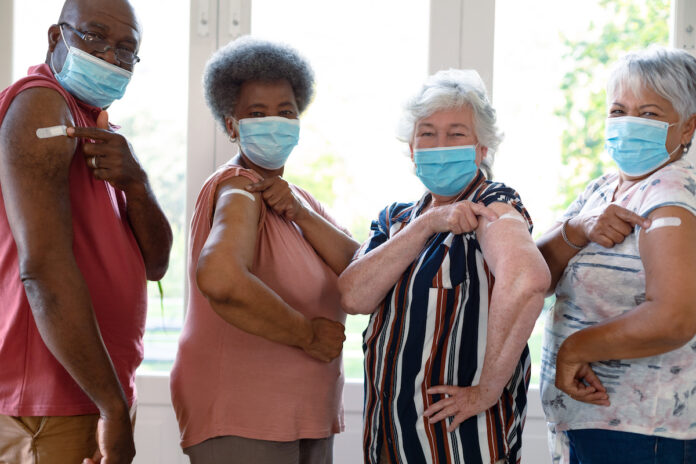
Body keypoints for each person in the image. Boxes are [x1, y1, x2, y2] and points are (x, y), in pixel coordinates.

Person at [337, 69, 550, 464]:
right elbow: (353, 296)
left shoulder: (493, 204)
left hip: (460, 443)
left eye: (456, 134)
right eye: (427, 133)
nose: (440, 145)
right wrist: (428, 223)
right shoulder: (396, 219)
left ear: (481, 149)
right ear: (411, 148)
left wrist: (487, 390)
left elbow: (527, 280)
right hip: (388, 438)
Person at [170, 36, 358, 464]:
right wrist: (306, 334)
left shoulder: (299, 200)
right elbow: (221, 277)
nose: (274, 122)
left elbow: (362, 271)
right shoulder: (239, 188)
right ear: (232, 125)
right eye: (257, 113)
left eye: (286, 112)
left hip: (303, 414)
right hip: (245, 414)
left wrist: (300, 214)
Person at [0, 0, 173, 463]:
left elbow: (156, 264)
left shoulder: (100, 129)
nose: (110, 56)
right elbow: (42, 271)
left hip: (95, 395)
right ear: (55, 38)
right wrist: (112, 408)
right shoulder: (41, 103)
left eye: (126, 49)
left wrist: (137, 182)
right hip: (47, 406)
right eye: (94, 36)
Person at [538, 47, 696, 464]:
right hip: (592, 424)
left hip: (643, 434)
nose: (629, 123)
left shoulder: (672, 198)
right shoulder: (601, 189)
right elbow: (536, 276)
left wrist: (576, 349)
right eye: (618, 111)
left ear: (687, 127)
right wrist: (576, 229)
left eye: (648, 113)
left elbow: (674, 318)